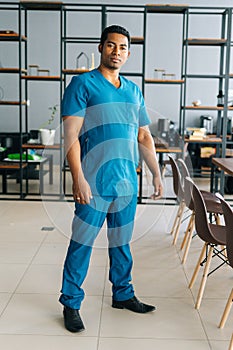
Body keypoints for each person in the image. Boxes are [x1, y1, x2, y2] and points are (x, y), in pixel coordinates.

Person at [59, 25, 163, 333]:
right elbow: (71, 136)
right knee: (82, 243)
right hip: (92, 180)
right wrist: (78, 178)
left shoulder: (133, 90)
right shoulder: (83, 84)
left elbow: (144, 135)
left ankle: (123, 294)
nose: (116, 51)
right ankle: (71, 302)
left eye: (122, 47)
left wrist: (156, 174)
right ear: (102, 48)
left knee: (122, 242)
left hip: (126, 182)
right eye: (111, 45)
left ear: (128, 53)